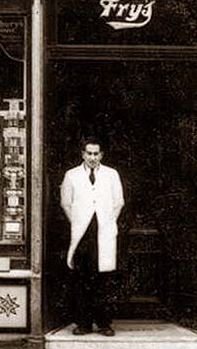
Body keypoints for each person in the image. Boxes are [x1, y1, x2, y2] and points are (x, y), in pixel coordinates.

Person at [60, 137, 124, 337]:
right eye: (89, 153)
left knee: (103, 281)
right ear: (83, 154)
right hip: (82, 236)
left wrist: (107, 222)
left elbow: (118, 202)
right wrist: (78, 223)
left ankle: (104, 323)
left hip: (103, 233)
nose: (93, 157)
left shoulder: (111, 175)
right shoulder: (71, 175)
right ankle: (84, 323)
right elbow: (66, 203)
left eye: (96, 154)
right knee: (82, 280)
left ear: (101, 155)